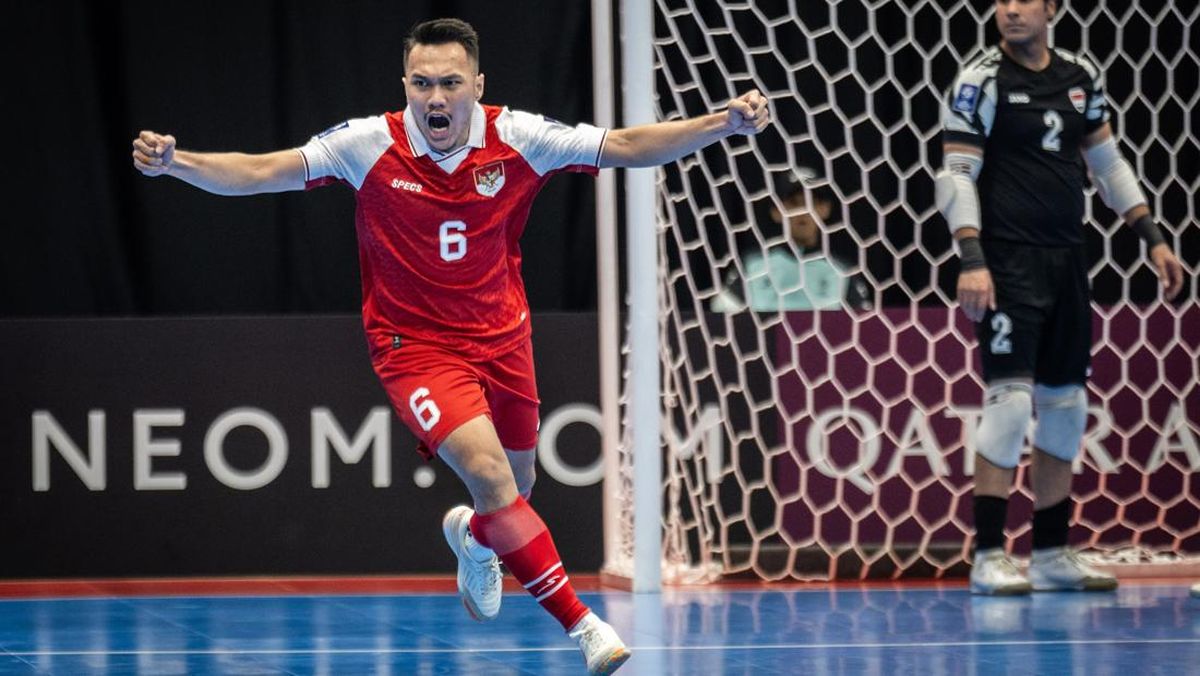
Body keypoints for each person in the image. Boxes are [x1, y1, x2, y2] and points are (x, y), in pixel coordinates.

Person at [132, 17, 768, 674]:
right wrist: (177, 163)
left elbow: (627, 144)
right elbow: (262, 170)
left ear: (478, 85)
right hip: (414, 347)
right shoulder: (366, 144)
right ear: (405, 84)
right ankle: (584, 628)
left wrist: (720, 124)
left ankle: (470, 536)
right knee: (493, 477)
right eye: (422, 83)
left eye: (450, 83)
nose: (435, 98)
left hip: (503, 338)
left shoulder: (520, 137)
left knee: (516, 485)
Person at [936, 0, 1184, 595]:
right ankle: (989, 554)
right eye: (1002, 1)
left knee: (1066, 406)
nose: (1010, 10)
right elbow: (955, 175)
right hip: (1008, 262)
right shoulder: (980, 78)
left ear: (1052, 9)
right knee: (1010, 404)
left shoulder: (1080, 74)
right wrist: (972, 259)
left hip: (1067, 259)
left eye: (1025, 0)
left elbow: (1106, 160)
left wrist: (1151, 236)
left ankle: (1049, 553)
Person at [711, 168, 870, 312]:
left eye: (811, 203)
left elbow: (866, 324)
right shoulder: (751, 265)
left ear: (825, 209)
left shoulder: (842, 270)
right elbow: (721, 313)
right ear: (776, 211)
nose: (803, 211)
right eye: (794, 203)